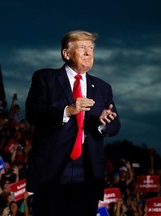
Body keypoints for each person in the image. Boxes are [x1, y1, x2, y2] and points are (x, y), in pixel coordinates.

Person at [25, 30, 121, 216]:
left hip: (87, 170)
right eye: (82, 48)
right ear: (66, 54)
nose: (89, 53)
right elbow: (33, 114)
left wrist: (103, 123)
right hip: (52, 169)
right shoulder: (45, 78)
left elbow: (115, 126)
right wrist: (67, 111)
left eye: (91, 48)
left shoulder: (102, 87)